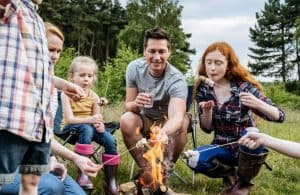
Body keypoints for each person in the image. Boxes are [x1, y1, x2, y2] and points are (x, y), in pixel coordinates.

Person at [0, 22, 102, 195]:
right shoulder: (13, 85)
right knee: (51, 187)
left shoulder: (52, 90)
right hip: (9, 163)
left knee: (77, 194)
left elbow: (44, 136)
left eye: (59, 51)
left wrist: (68, 158)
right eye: (50, 49)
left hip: (36, 159)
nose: (55, 56)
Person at [185, 42, 285, 195]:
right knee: (192, 159)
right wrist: (207, 111)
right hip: (221, 146)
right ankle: (229, 174)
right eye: (208, 62)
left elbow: (280, 116)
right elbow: (206, 128)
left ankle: (243, 183)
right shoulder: (204, 90)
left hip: (246, 147)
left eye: (218, 63)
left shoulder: (244, 88)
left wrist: (258, 103)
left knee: (253, 136)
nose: (212, 68)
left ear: (228, 65)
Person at [120, 27, 190, 193]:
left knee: (182, 124)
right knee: (126, 119)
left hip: (168, 122)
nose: (157, 57)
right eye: (152, 51)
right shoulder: (134, 68)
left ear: (169, 52)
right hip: (146, 118)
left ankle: (163, 172)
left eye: (162, 51)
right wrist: (136, 103)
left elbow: (177, 117)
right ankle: (148, 170)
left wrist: (162, 132)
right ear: (144, 51)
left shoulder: (176, 79)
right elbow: (128, 105)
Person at [61, 56, 120, 195]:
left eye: (90, 76)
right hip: (71, 129)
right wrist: (91, 120)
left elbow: (97, 118)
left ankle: (110, 181)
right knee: (87, 128)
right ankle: (83, 174)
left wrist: (100, 126)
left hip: (89, 128)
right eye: (82, 75)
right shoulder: (66, 94)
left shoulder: (94, 96)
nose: (86, 79)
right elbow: (69, 119)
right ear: (71, 77)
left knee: (110, 140)